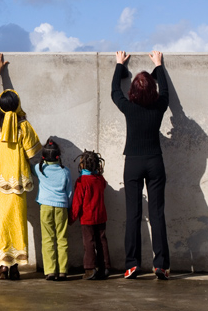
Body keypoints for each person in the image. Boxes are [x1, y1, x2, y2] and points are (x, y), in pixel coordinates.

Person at [0, 53, 42, 280]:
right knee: (17, 223)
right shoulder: (24, 127)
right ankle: (14, 267)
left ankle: (2, 266)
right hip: (17, 185)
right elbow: (35, 155)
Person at [111, 50, 170, 280]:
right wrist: (158, 65)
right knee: (157, 215)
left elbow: (115, 91)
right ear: (152, 91)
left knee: (133, 215)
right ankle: (161, 266)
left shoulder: (128, 108)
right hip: (155, 162)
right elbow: (164, 91)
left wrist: (119, 65)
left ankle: (131, 265)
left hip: (133, 164)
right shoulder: (159, 107)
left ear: (133, 91)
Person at [32, 137, 72, 281]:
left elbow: (29, 166)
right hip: (62, 207)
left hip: (45, 207)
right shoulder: (65, 171)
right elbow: (69, 193)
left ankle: (50, 271)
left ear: (43, 156)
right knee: (62, 239)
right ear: (58, 155)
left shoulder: (39, 169)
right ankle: (62, 271)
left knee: (47, 239)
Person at [70, 150, 112, 280]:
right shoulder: (100, 179)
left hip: (87, 218)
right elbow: (103, 186)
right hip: (100, 216)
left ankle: (90, 268)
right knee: (102, 240)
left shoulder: (82, 181)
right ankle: (105, 267)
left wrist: (71, 218)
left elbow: (77, 202)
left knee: (89, 242)